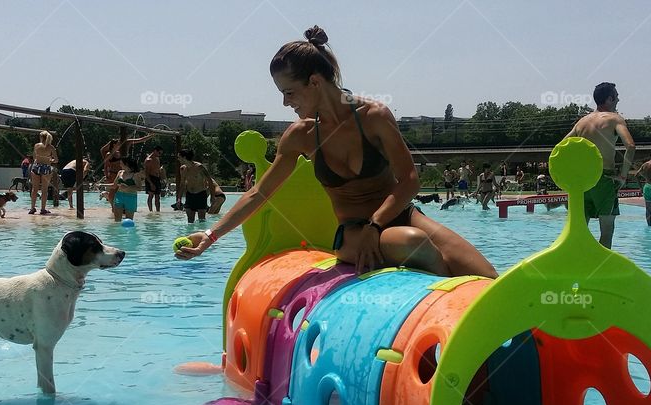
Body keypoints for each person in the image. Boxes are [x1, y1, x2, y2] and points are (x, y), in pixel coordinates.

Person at [176, 26, 496, 278]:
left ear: (315, 82)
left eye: (289, 92)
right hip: (353, 233)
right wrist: (210, 235)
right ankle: (443, 308)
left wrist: (377, 224)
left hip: (402, 216)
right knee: (414, 244)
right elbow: (260, 193)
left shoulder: (373, 117)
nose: (286, 103)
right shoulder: (301, 136)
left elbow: (410, 180)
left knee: (486, 278)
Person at [564, 82, 635, 249]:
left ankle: (578, 266)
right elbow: (630, 146)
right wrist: (623, 176)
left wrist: (569, 176)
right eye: (616, 96)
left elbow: (561, 148)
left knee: (579, 229)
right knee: (607, 230)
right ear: (609, 99)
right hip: (604, 179)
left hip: (580, 181)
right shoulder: (614, 119)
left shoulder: (581, 122)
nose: (618, 99)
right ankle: (600, 271)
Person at [178, 149, 215, 223]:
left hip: (200, 195)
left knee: (201, 220)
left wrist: (212, 196)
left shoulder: (199, 167)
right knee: (190, 221)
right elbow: (182, 184)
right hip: (189, 195)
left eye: (179, 157)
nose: (178, 159)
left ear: (184, 157)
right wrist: (179, 199)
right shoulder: (182, 169)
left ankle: (201, 234)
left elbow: (210, 181)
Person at [29, 131, 57, 215]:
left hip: (36, 166)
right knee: (44, 189)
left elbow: (34, 157)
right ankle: (43, 209)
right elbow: (56, 160)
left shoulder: (36, 145)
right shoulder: (51, 147)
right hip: (46, 167)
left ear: (41, 137)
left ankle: (32, 208)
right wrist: (50, 159)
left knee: (34, 189)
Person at [111, 157, 143, 221]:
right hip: (119, 196)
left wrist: (127, 187)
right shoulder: (120, 172)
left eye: (121, 163)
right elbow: (114, 185)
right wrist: (101, 185)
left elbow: (139, 188)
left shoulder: (135, 174)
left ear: (127, 164)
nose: (120, 165)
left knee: (129, 220)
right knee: (117, 220)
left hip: (130, 197)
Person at [144, 145, 164, 212]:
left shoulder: (157, 158)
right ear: (155, 151)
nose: (160, 155)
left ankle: (158, 211)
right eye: (159, 153)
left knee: (157, 196)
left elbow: (157, 169)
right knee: (151, 196)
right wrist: (151, 183)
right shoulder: (149, 160)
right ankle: (150, 211)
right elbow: (146, 173)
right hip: (151, 178)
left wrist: (161, 178)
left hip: (157, 178)